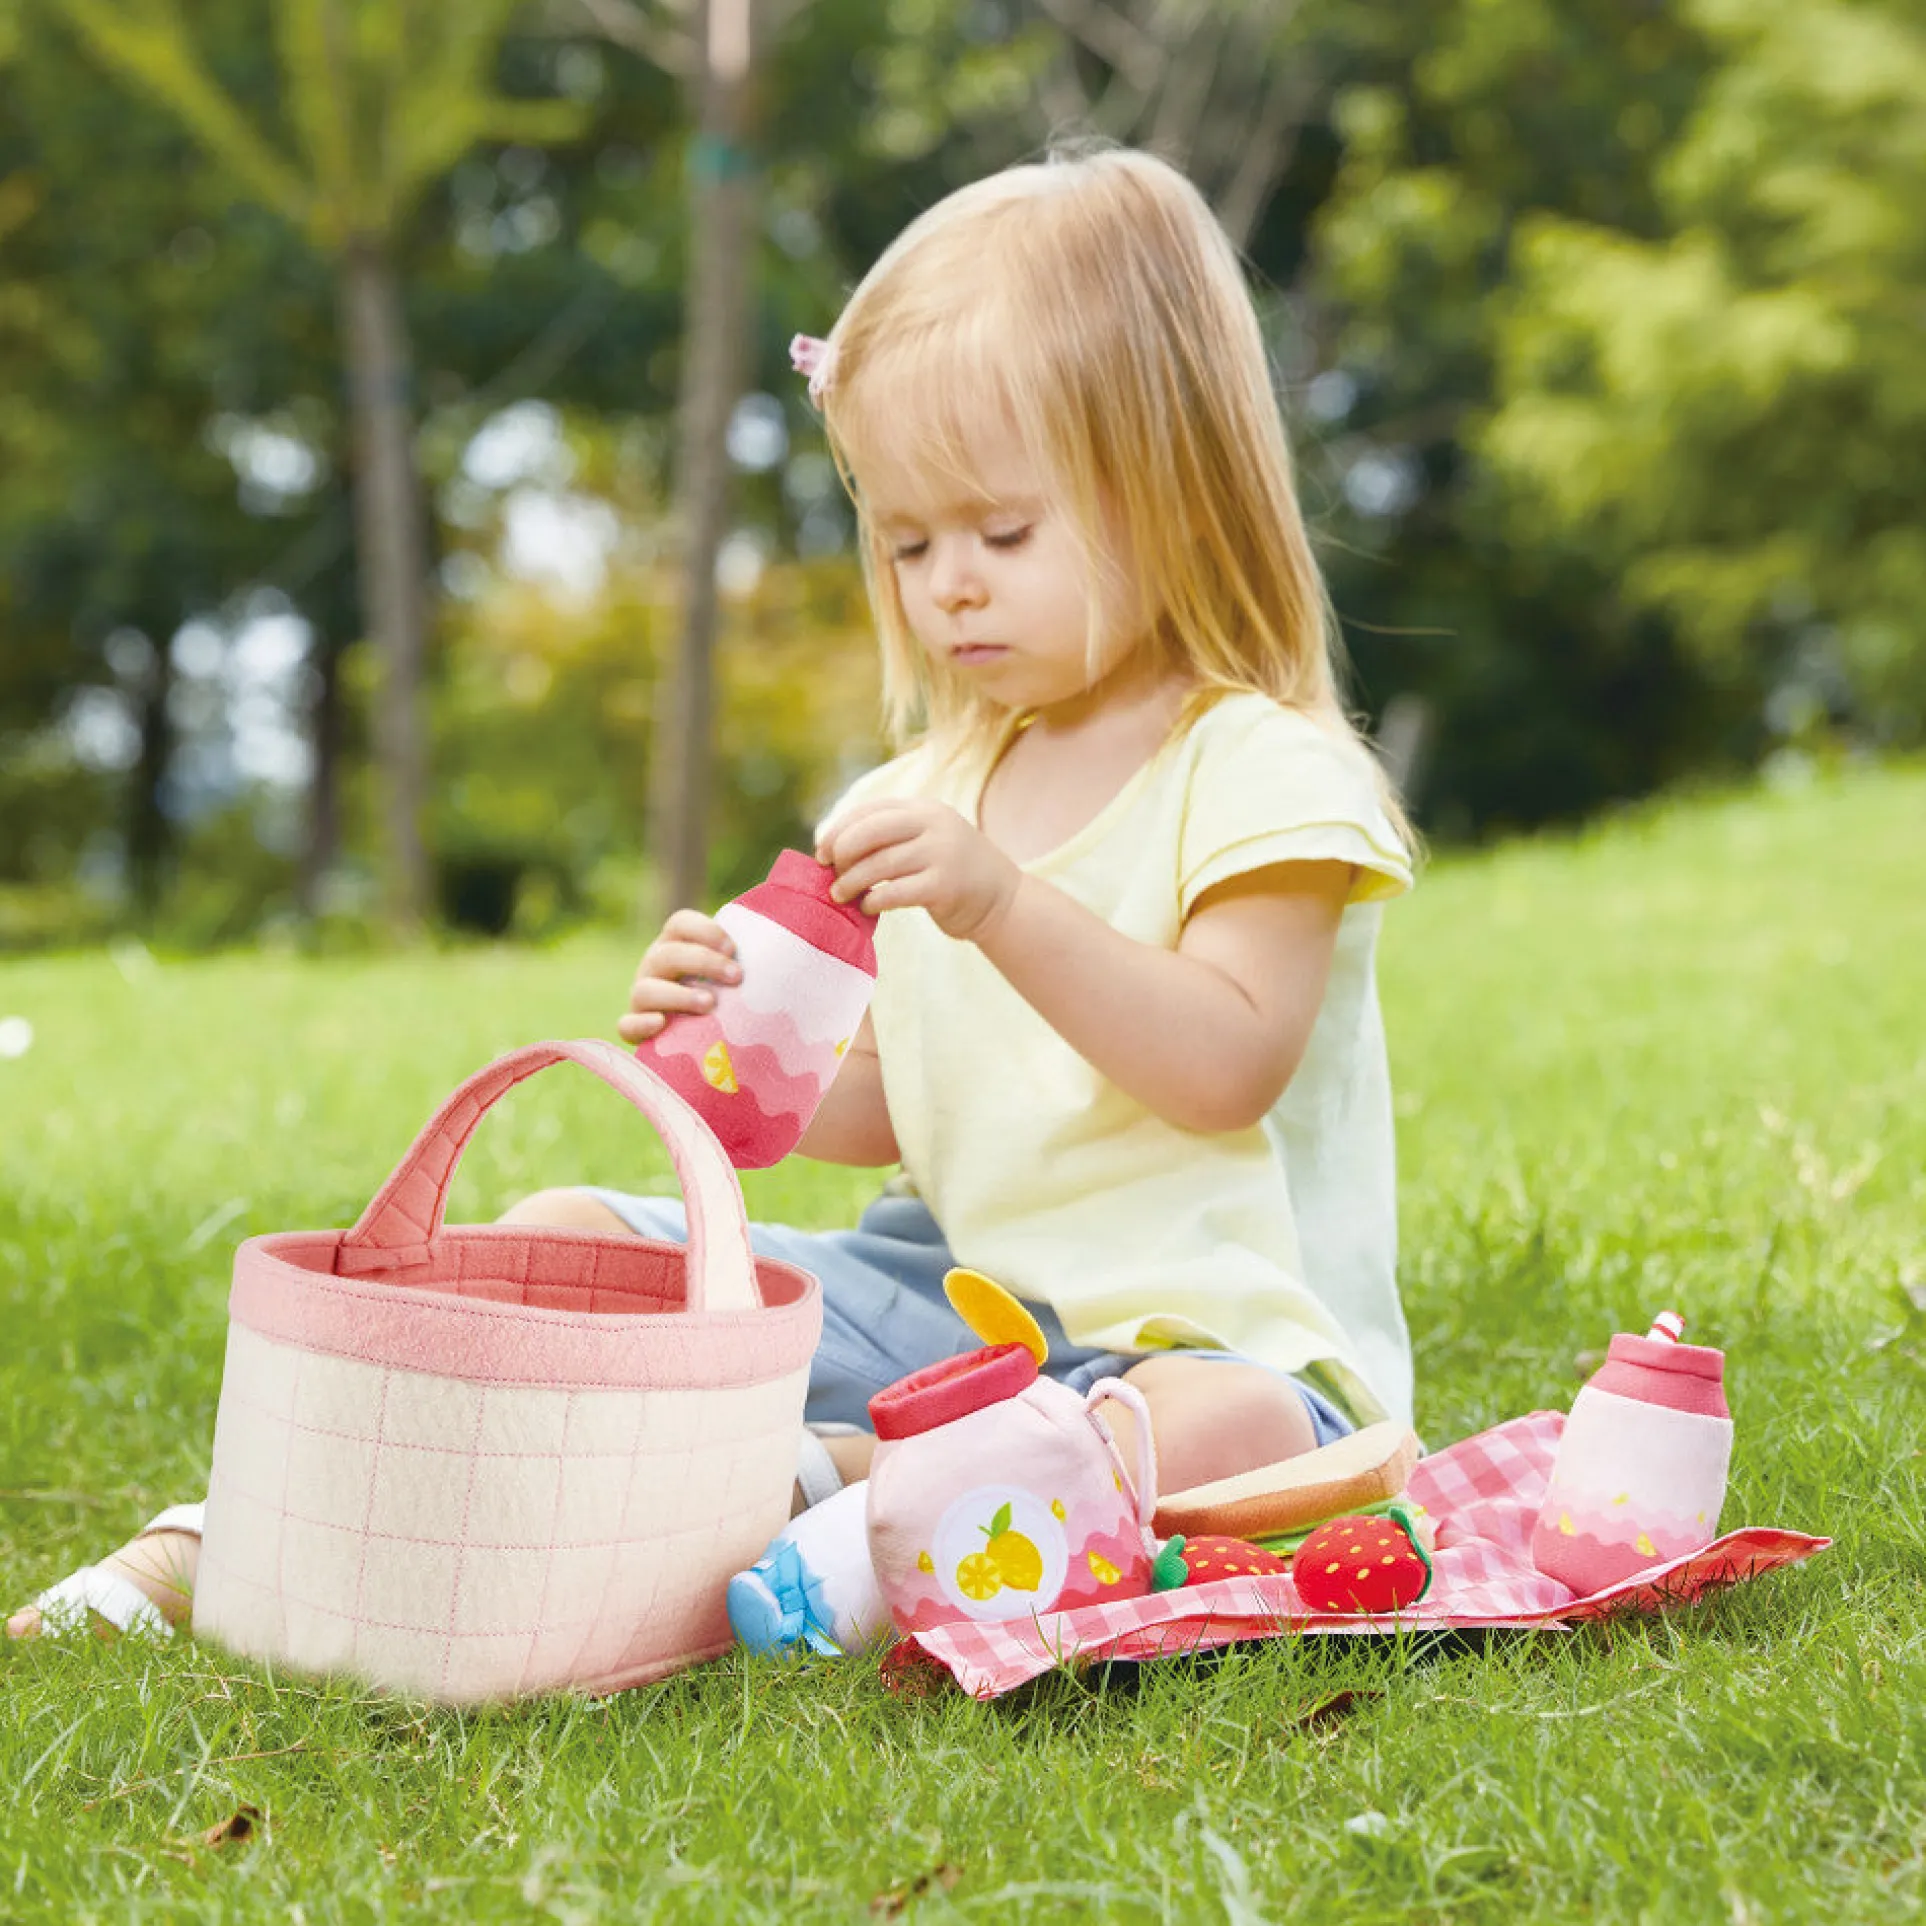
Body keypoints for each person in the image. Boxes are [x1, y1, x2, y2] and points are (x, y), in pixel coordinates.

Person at [9, 140, 1414, 1642]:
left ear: (1179, 494)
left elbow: (1221, 1063)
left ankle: (793, 1492)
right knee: (564, 1228)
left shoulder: (1261, 769)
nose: (947, 583)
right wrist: (731, 1044)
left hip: (1200, 1336)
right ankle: (250, 1529)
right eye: (904, 537)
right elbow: (879, 1109)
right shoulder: (910, 796)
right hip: (947, 1294)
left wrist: (1002, 905)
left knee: (1239, 1440)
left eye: (1003, 532)